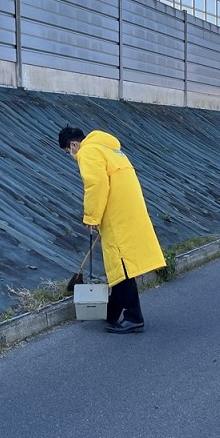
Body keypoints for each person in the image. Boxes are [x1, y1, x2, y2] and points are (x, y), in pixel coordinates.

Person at [58, 126, 166, 334]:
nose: (70, 155)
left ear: (73, 144)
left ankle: (134, 318)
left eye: (67, 151)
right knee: (119, 266)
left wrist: (91, 217)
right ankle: (111, 313)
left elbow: (96, 185)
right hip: (128, 210)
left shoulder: (88, 151)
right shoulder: (110, 149)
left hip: (117, 215)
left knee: (122, 266)